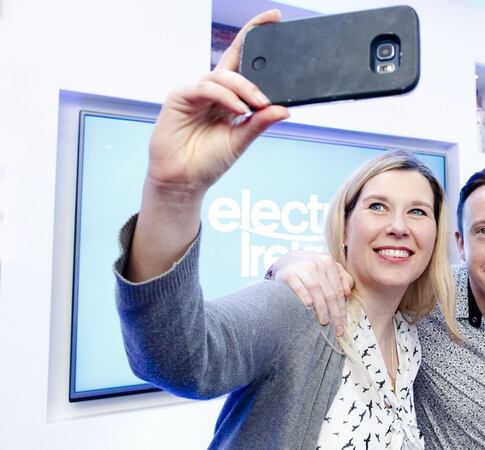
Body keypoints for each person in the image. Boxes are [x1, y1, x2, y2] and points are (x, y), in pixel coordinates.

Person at [113, 10, 459, 449]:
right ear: (346, 227)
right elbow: (179, 360)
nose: (398, 227)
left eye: (418, 213)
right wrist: (173, 194)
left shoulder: (411, 338)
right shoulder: (300, 308)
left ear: (434, 237)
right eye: (377, 206)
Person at [272, 164, 485, 449]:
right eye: (484, 231)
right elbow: (370, 273)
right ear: (461, 243)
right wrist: (289, 263)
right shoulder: (423, 298)